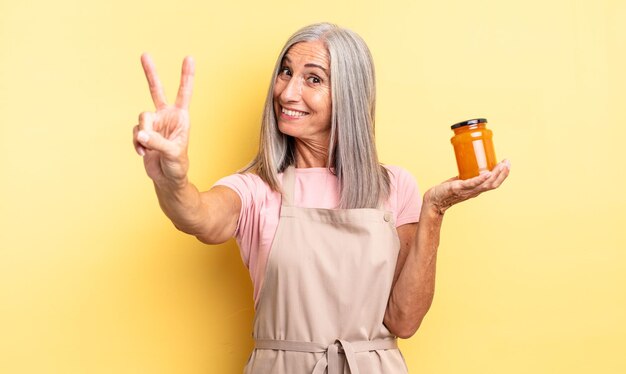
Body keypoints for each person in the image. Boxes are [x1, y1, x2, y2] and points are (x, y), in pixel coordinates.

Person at [132, 22, 510, 374]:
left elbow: (403, 321)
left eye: (313, 79)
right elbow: (198, 215)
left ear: (348, 95)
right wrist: (172, 179)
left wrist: (435, 209)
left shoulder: (395, 187)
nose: (287, 91)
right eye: (286, 72)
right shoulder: (258, 188)